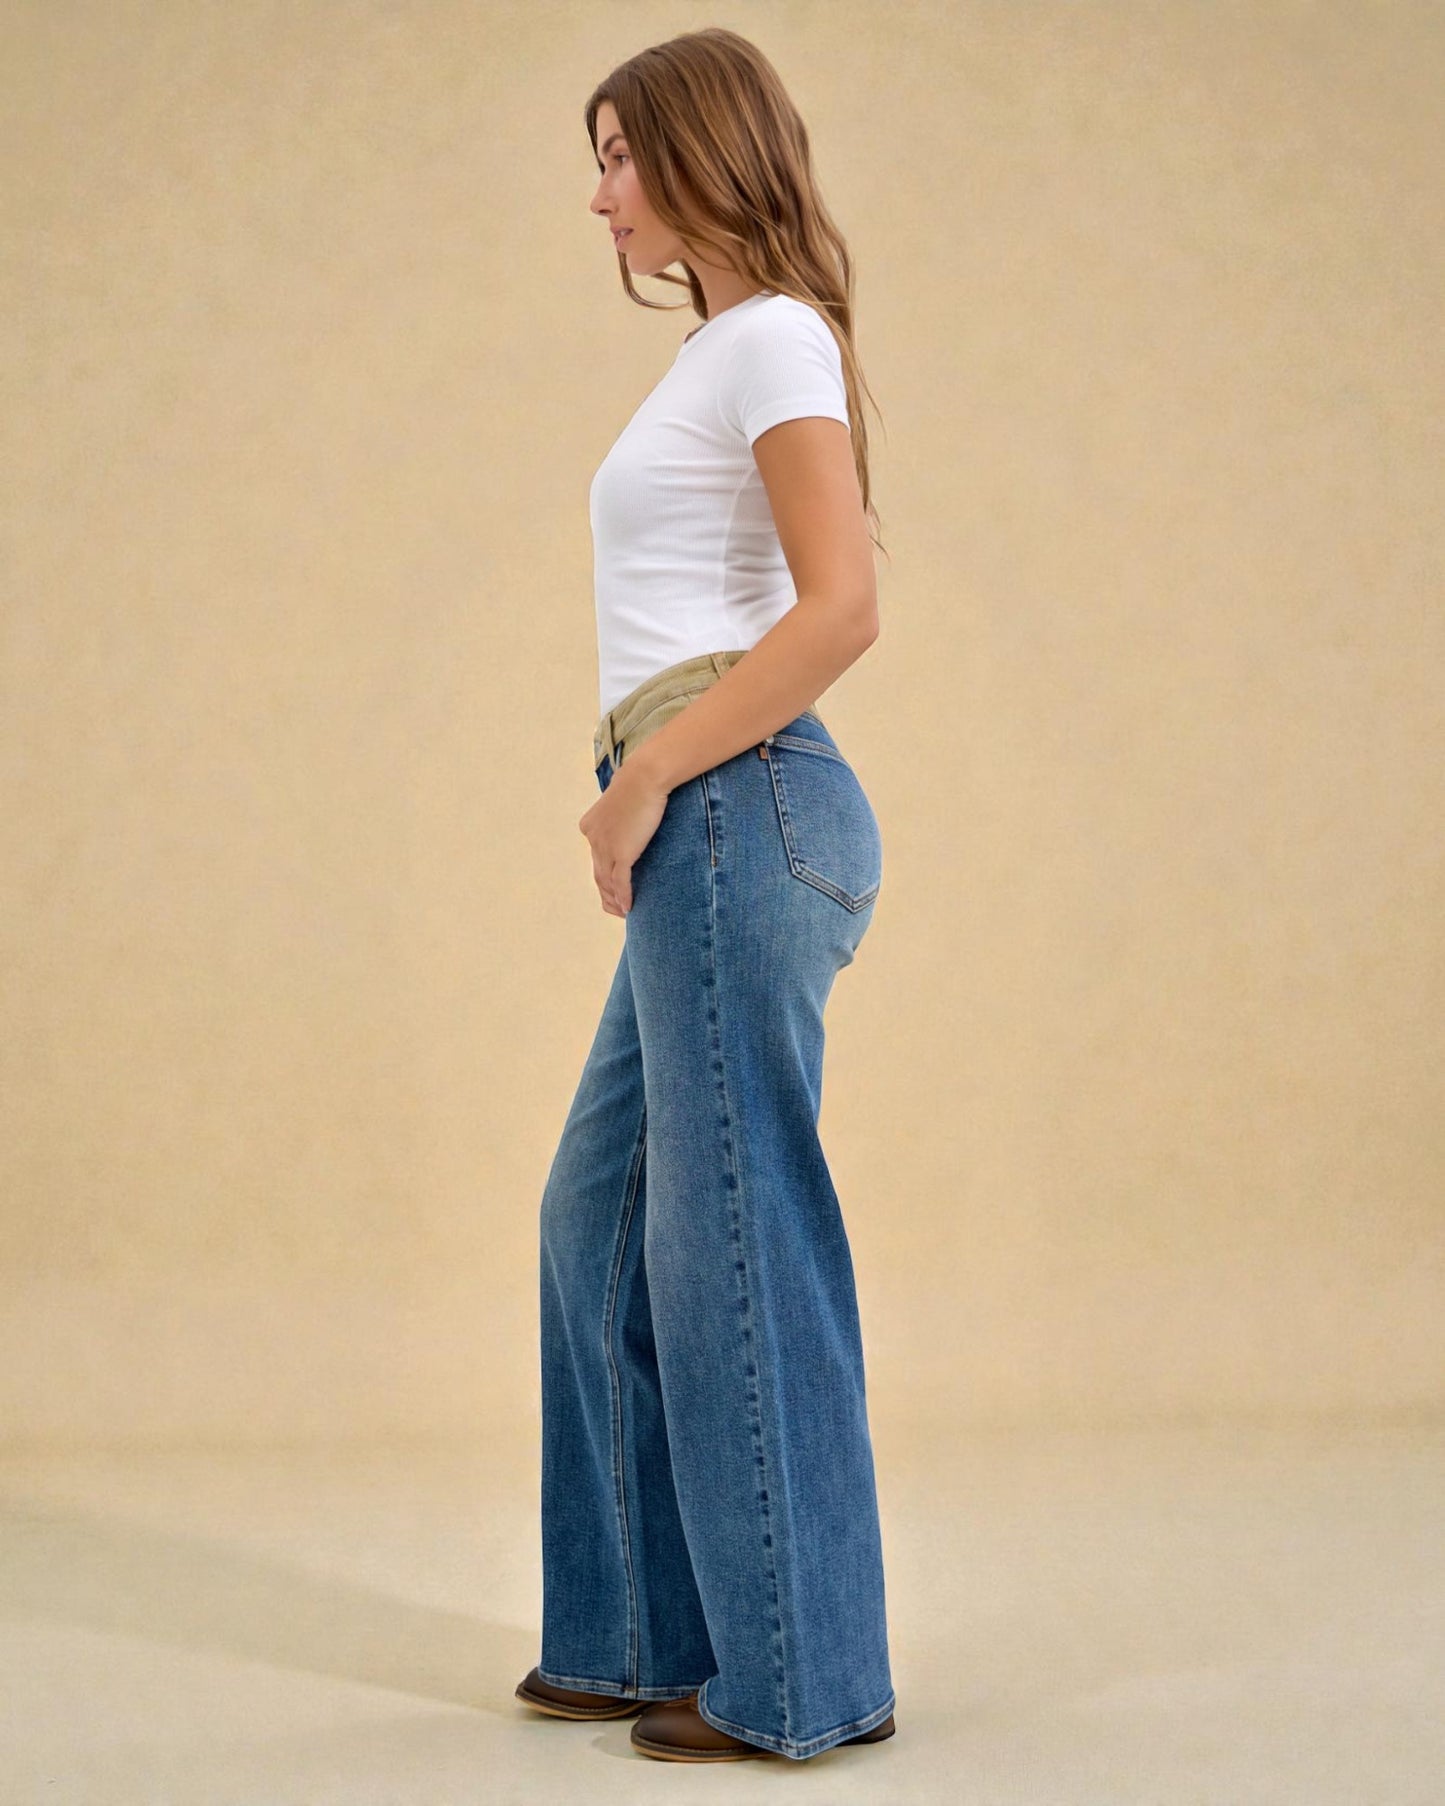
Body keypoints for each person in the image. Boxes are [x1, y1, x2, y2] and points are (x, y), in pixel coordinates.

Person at [513, 27, 897, 1765]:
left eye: (618, 155)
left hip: (736, 801)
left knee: (731, 1237)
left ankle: (805, 1678)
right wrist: (640, 788)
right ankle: (627, 1637)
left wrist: (649, 780)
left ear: (697, 153)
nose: (597, 192)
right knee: (597, 1219)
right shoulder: (730, 347)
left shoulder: (771, 336)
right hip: (705, 811)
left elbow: (839, 607)